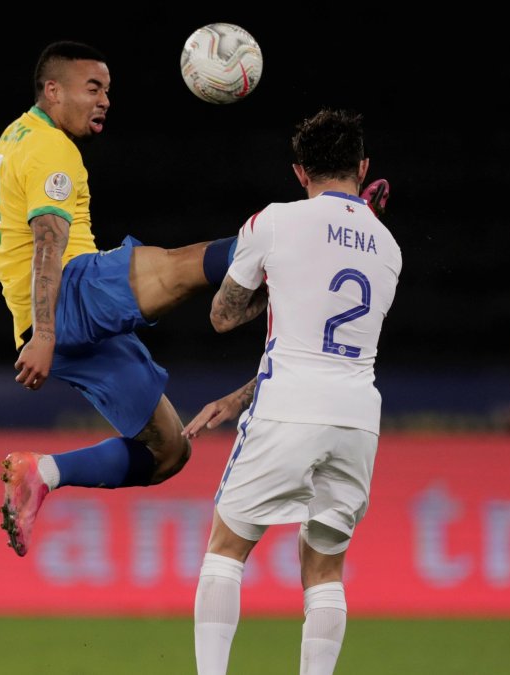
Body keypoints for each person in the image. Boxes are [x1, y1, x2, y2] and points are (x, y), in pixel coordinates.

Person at [0, 39, 394, 557]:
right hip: (69, 294)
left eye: (108, 90)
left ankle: (42, 472)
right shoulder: (52, 149)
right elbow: (48, 240)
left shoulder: (8, 142)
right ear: (53, 90)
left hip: (57, 328)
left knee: (168, 450)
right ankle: (333, 221)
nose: (104, 100)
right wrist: (45, 334)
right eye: (92, 88)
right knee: (183, 268)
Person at [181, 108, 402, 675]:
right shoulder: (388, 248)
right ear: (363, 166)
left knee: (226, 548)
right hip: (357, 418)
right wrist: (240, 395)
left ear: (300, 172)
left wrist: (275, 278)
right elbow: (325, 344)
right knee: (326, 571)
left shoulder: (274, 221)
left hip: (288, 409)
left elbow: (224, 317)